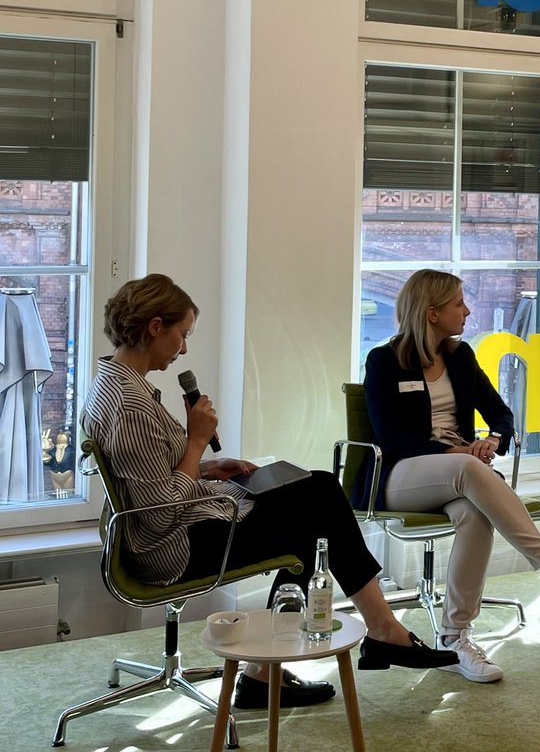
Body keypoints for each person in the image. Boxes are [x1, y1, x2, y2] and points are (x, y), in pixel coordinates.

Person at [82, 275, 458, 712]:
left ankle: (288, 666)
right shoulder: (130, 404)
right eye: (181, 335)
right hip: (171, 548)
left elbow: (147, 474)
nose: (183, 349)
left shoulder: (114, 382)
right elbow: (159, 513)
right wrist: (197, 442)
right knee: (319, 501)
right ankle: (374, 635)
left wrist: (209, 466)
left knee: (314, 500)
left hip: (176, 527)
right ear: (154, 327)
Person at [362, 270, 540, 684]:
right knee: (469, 469)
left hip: (458, 474)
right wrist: (457, 452)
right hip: (399, 477)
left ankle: (453, 639)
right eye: (459, 303)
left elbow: (501, 413)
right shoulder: (384, 361)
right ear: (432, 313)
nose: (468, 311)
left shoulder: (460, 357)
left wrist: (493, 439)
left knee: (475, 516)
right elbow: (391, 438)